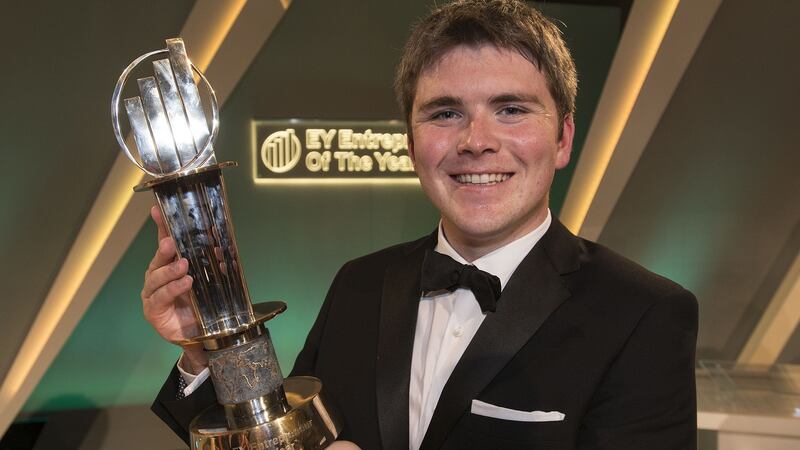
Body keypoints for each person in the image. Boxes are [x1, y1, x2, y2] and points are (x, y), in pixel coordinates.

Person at [142, 0, 698, 448]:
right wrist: (208, 345)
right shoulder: (358, 284)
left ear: (563, 140)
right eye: (445, 113)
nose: (476, 141)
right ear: (411, 145)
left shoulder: (642, 314)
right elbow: (281, 440)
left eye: (512, 109)